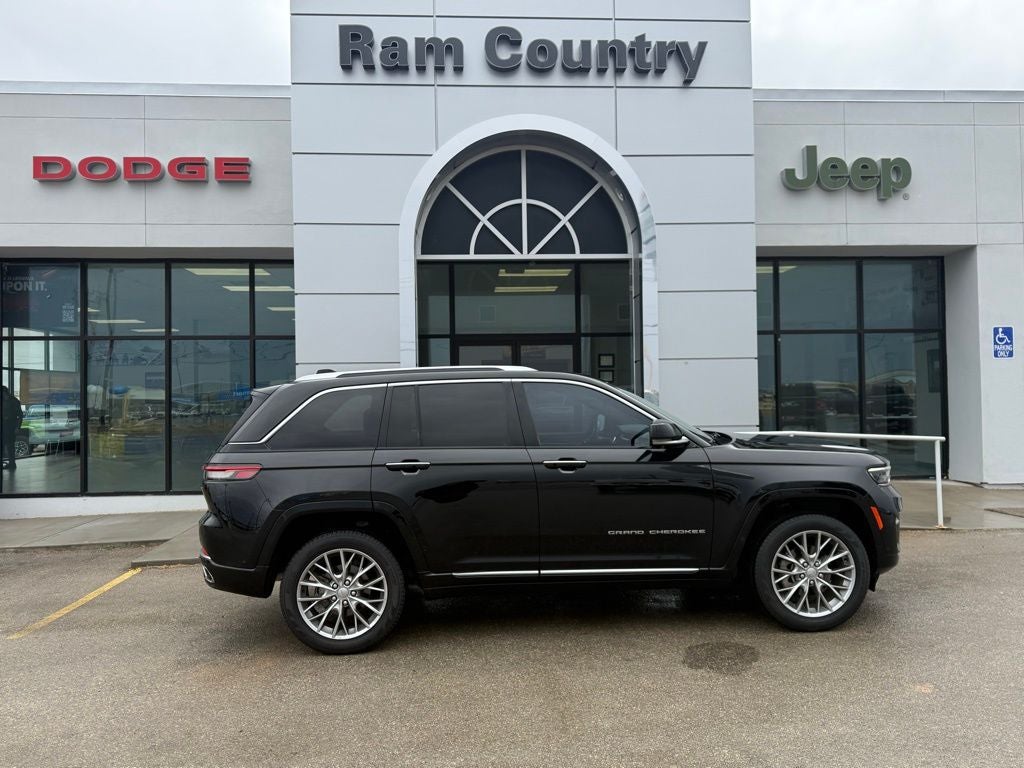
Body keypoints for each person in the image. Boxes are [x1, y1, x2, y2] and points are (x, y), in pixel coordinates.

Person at [1, 385, 23, 470]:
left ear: (4, 392)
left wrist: (17, 427)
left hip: (11, 425)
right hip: (3, 425)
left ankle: (12, 463)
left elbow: (20, 415)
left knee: (10, 446)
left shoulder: (14, 401)